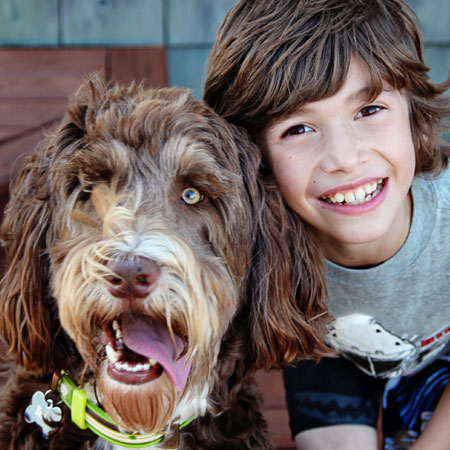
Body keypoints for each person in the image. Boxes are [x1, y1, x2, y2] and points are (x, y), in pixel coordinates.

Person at [203, 0, 450, 449]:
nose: (344, 158)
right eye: (298, 129)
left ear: (413, 111)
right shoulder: (266, 245)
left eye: (369, 110)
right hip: (332, 353)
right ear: (254, 158)